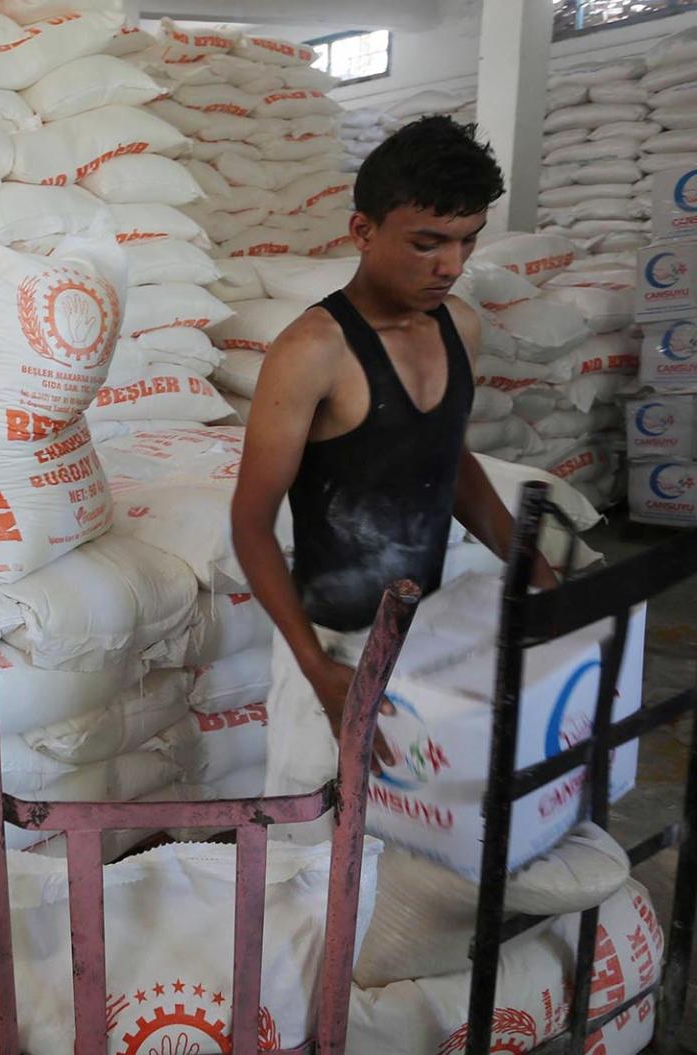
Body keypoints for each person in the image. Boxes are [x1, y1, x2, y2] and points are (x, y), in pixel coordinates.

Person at [230, 115, 558, 813]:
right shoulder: (313, 350)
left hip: (427, 637)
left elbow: (447, 457)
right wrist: (319, 672)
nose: (452, 264)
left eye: (468, 240)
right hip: (336, 646)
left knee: (415, 851)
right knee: (318, 855)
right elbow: (251, 523)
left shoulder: (459, 324)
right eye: (427, 243)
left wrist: (530, 561)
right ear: (363, 231)